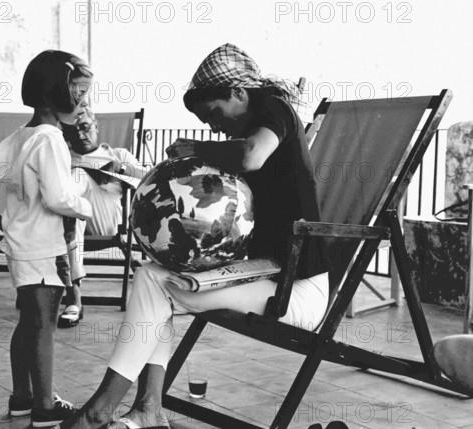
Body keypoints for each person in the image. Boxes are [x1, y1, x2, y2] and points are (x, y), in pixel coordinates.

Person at [59, 43, 330, 429]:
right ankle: (143, 409)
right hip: (263, 274)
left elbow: (252, 155)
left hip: (296, 291)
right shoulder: (249, 130)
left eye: (213, 114)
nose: (212, 126)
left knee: (154, 283)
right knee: (154, 275)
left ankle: (107, 410)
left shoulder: (274, 110)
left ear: (239, 93)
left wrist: (197, 148)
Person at [0, 50, 93, 428]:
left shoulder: (22, 134)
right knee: (45, 323)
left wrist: (23, 188)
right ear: (55, 93)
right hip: (43, 245)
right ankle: (45, 406)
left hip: (20, 240)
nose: (83, 101)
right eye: (78, 92)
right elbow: (59, 198)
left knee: (28, 321)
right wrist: (86, 205)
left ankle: (22, 397)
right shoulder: (51, 139)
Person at [58, 108, 147, 328]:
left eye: (85, 127)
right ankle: (74, 297)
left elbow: (147, 180)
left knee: (76, 180)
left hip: (106, 223)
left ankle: (72, 298)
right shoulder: (61, 157)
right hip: (71, 224)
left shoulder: (118, 154)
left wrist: (116, 170)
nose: (79, 134)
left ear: (96, 126)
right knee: (71, 203)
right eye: (73, 130)